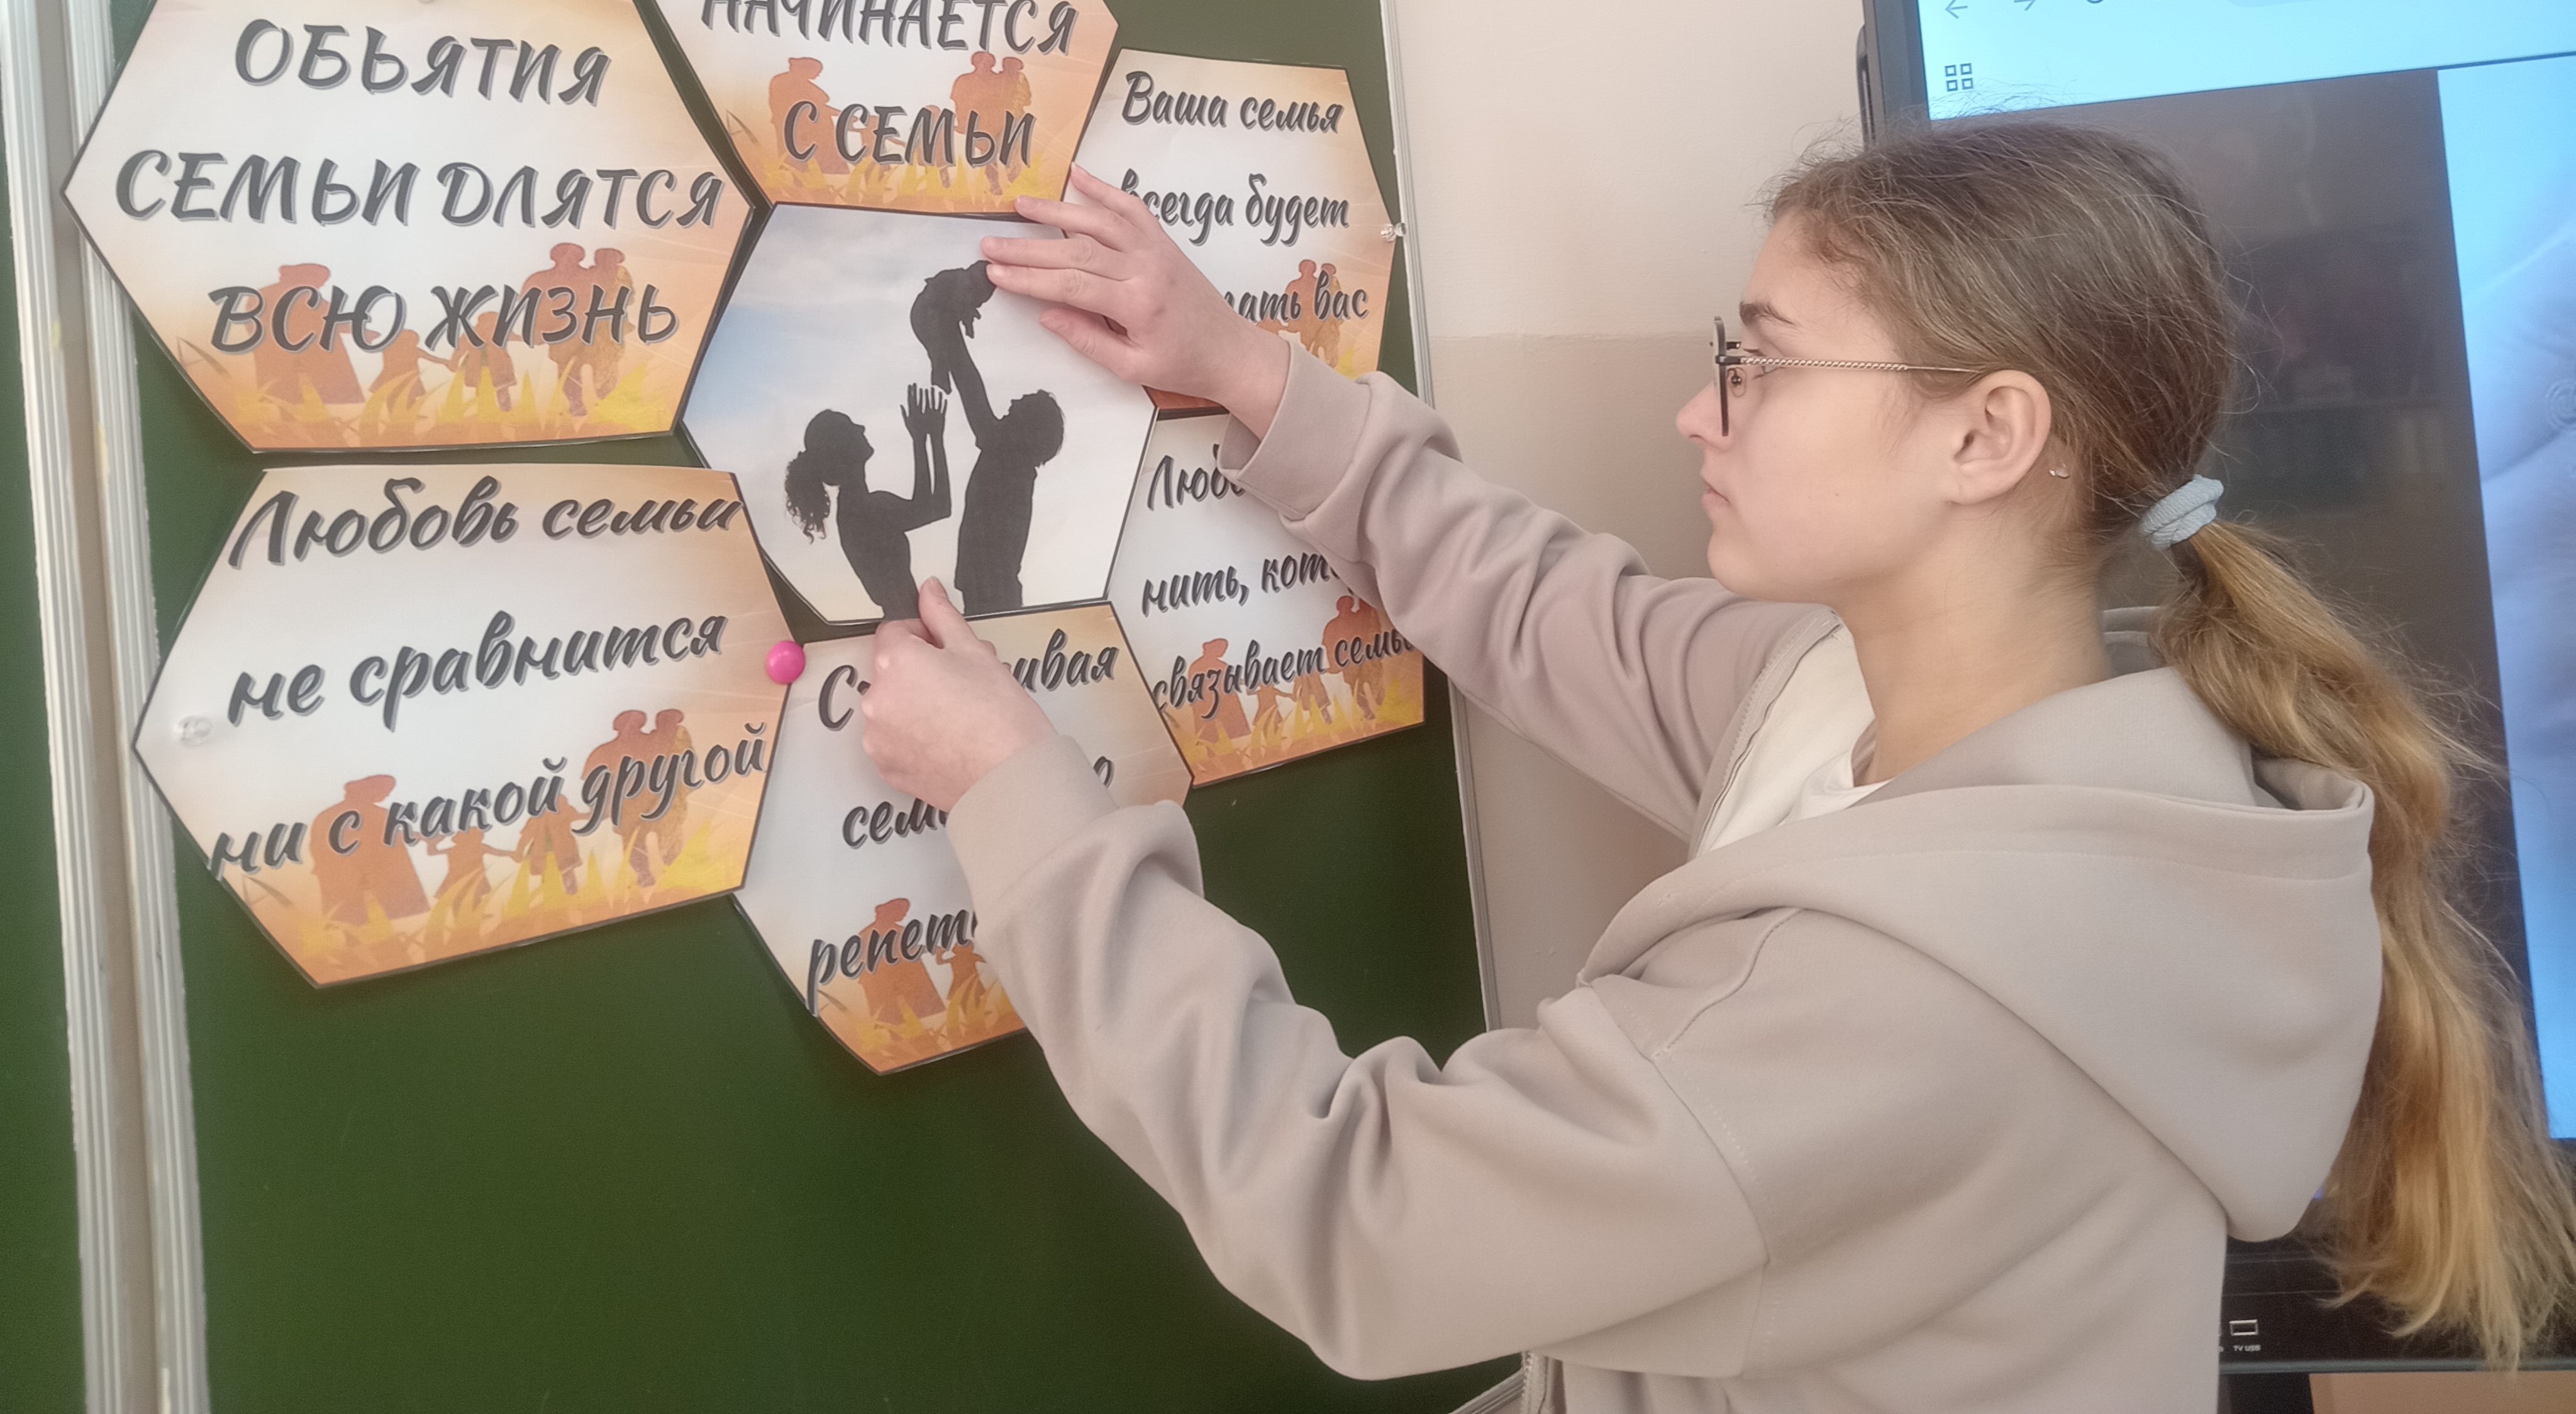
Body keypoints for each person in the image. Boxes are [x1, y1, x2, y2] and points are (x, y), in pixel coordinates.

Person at [853, 135, 2576, 1408]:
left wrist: (1018, 795)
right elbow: (1542, 606)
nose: (1702, 410)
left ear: (1988, 433)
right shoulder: (1941, 726)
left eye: (1760, 360)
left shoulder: (1901, 1000)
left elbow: (1357, 1214)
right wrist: (1243, 369)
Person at [783, 388, 950, 620]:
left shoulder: (855, 508)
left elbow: (933, 508)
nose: (861, 428)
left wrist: (924, 439)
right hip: (907, 620)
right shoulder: (865, 509)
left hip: (903, 619)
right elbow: (936, 508)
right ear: (841, 447)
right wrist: (929, 437)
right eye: (851, 426)